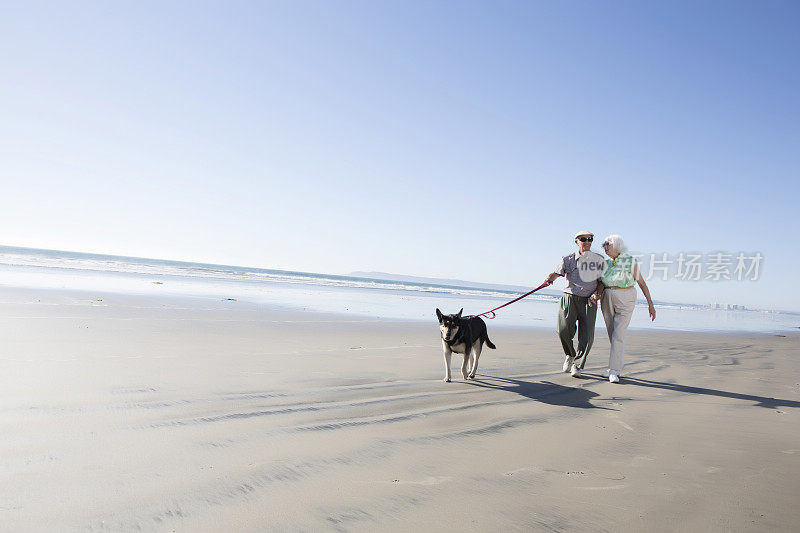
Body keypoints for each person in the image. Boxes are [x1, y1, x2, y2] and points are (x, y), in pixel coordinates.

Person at [544, 231, 605, 378]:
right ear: (576, 242)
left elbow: (601, 282)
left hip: (588, 301)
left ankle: (577, 365)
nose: (587, 242)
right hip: (569, 298)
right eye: (583, 239)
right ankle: (570, 355)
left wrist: (597, 295)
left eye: (590, 239)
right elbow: (557, 273)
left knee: (587, 336)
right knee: (563, 330)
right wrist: (549, 278)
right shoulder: (567, 259)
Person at [598, 234, 656, 383]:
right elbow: (601, 282)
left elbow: (642, 283)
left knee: (619, 333)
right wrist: (596, 295)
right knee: (612, 333)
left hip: (626, 296)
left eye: (607, 244)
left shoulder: (630, 261)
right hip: (607, 296)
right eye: (603, 244)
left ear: (616, 245)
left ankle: (614, 370)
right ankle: (614, 367)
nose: (604, 247)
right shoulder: (604, 262)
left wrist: (650, 303)